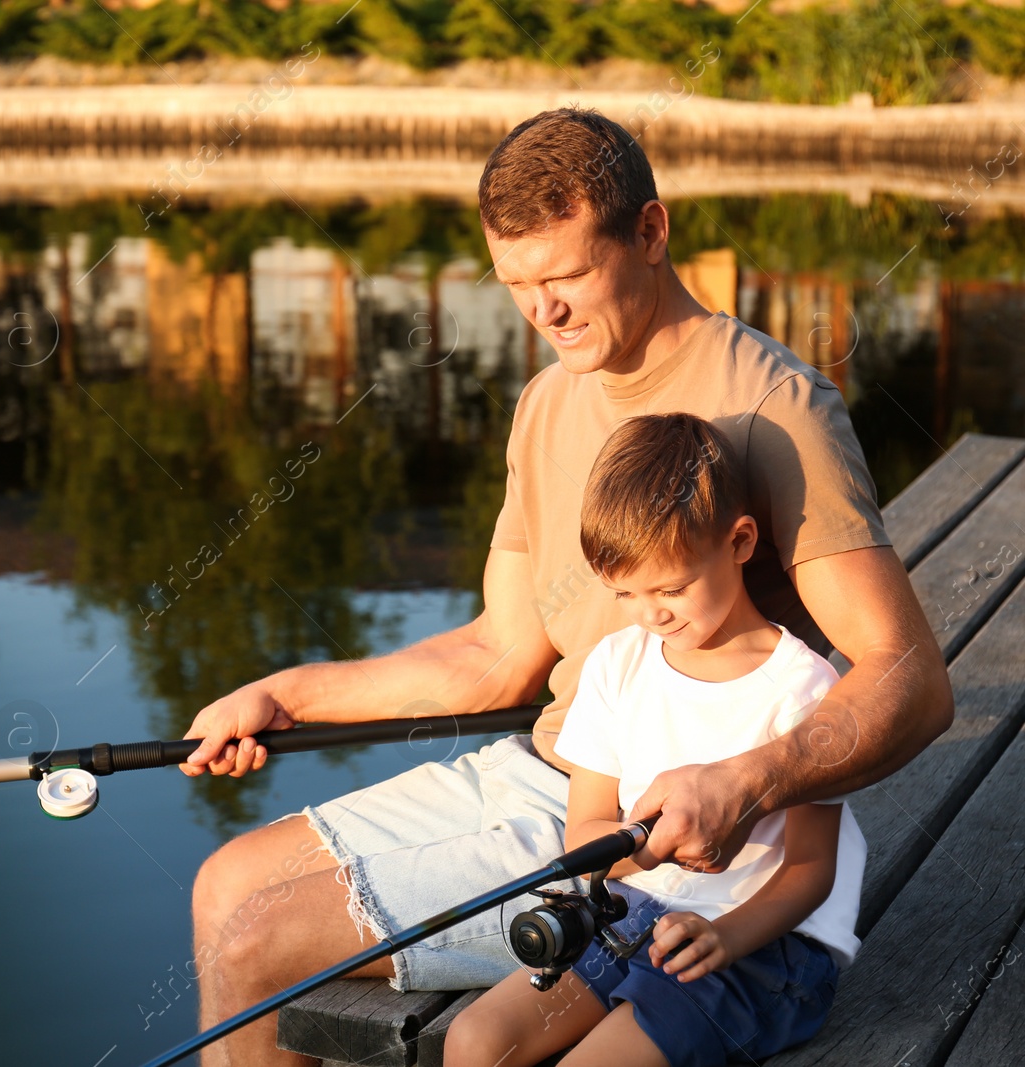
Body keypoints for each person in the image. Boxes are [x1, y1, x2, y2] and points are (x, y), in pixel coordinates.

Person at [182, 107, 951, 1067]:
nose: (542, 312)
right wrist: (287, 692)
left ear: (651, 232)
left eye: (567, 276)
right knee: (224, 886)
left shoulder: (774, 408)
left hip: (652, 837)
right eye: (516, 285)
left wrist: (747, 783)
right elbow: (497, 654)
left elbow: (910, 680)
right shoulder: (548, 399)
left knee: (259, 938)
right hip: (549, 766)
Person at [442, 413, 862, 1067]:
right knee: (473, 1040)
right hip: (633, 908)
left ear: (741, 541)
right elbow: (585, 829)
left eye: (672, 586)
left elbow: (811, 870)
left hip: (760, 944)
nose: (652, 612)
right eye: (626, 592)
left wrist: (723, 935)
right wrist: (640, 852)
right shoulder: (616, 664)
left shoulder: (804, 688)